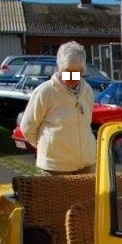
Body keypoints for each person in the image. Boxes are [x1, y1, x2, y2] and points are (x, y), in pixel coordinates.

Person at [19, 41, 96, 175]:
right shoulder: (45, 92)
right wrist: (48, 147)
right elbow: (27, 127)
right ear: (59, 68)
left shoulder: (87, 90)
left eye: (76, 73)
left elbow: (86, 123)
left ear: (83, 71)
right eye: (68, 72)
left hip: (85, 164)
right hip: (55, 166)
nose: (72, 77)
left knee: (87, 197)